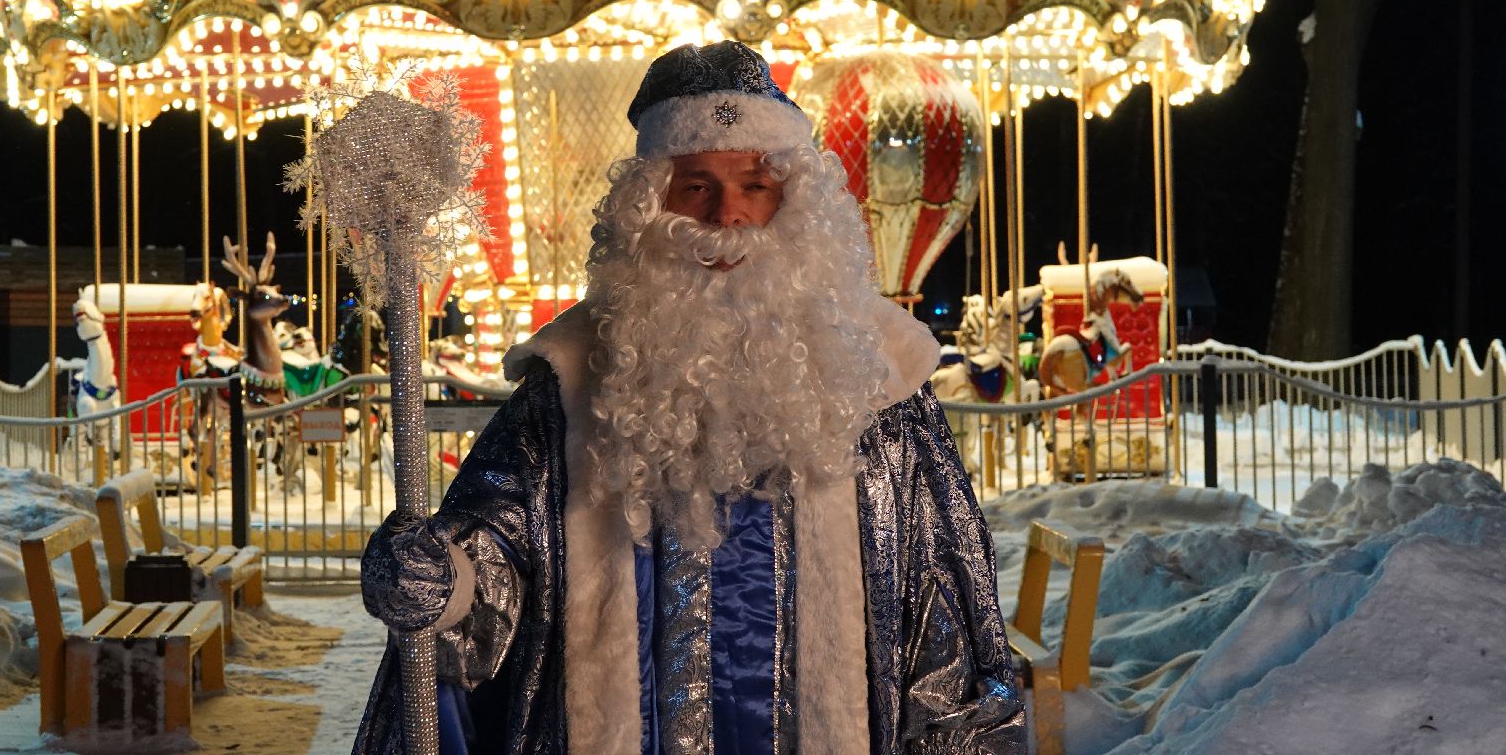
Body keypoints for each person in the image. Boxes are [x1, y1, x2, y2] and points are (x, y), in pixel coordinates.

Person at [355, 41, 1025, 754]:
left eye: (754, 185)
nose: (726, 215)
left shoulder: (881, 380)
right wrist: (446, 580)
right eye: (695, 185)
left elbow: (944, 617)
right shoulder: (570, 382)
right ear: (648, 202)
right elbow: (499, 553)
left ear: (796, 204)